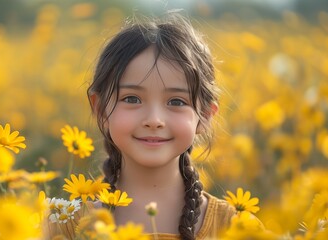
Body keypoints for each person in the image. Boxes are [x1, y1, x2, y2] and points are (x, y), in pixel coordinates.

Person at [87, 12, 236, 240]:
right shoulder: (67, 225)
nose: (154, 120)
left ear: (205, 116)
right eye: (131, 99)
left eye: (176, 102)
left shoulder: (235, 229)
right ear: (100, 109)